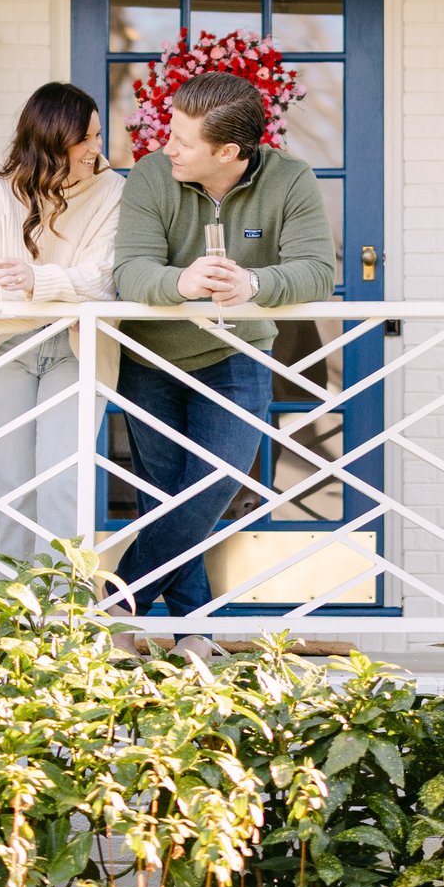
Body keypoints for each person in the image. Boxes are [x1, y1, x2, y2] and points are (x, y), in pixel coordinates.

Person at [111, 71, 337, 632]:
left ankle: (116, 602)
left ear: (229, 151)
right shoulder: (150, 176)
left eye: (184, 141)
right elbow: (129, 270)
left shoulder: (290, 179)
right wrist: (182, 284)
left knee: (214, 485)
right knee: (165, 498)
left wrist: (255, 287)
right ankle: (195, 635)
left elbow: (319, 272)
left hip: (238, 355)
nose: (169, 147)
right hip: (151, 361)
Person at [0, 81, 125, 559]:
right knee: (13, 485)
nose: (96, 147)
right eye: (85, 138)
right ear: (51, 139)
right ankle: (16, 614)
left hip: (76, 348)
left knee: (63, 479)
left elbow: (103, 281)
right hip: (3, 351)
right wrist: (60, 288)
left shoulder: (112, 191)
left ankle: (66, 609)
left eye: (97, 135)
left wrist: (33, 280)